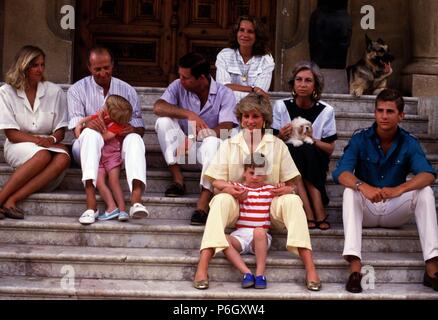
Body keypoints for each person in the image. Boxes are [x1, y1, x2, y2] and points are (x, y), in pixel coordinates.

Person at [193, 93, 321, 291]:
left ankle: (310, 265)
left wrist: (285, 189)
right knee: (220, 200)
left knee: (293, 201)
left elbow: (293, 183)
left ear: (264, 120)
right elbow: (216, 181)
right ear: (240, 119)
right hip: (239, 207)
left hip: (269, 208)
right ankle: (203, 264)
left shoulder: (277, 145)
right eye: (246, 116)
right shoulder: (229, 144)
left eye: (255, 116)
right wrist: (230, 188)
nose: (250, 121)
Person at [332, 88, 438, 293]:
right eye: (380, 110)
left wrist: (400, 189)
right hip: (367, 209)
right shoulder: (360, 139)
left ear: (401, 115)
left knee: (424, 192)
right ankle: (355, 267)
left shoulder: (409, 142)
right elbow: (341, 172)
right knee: (349, 191)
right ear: (374, 113)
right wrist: (363, 187)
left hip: (395, 210)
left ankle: (432, 267)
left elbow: (428, 174)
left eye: (390, 111)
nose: (384, 116)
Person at [153, 52, 238, 225]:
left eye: (186, 78)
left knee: (213, 141)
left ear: (201, 78)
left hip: (210, 153)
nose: (181, 80)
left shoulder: (225, 93)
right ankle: (178, 180)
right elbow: (158, 107)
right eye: (180, 76)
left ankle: (202, 204)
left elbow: (227, 127)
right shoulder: (178, 86)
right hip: (183, 150)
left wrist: (196, 137)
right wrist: (189, 114)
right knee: (162, 122)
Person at [67, 46, 148, 225]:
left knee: (134, 139)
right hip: (86, 148)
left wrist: (131, 129)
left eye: (106, 68)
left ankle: (136, 200)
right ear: (89, 67)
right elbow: (75, 124)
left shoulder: (127, 90)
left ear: (112, 65)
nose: (103, 73)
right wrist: (87, 124)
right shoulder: (76, 90)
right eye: (97, 69)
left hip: (115, 152)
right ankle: (91, 204)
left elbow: (140, 125)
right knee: (90, 134)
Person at [0, 45, 70, 220]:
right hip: (19, 143)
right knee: (43, 156)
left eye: (42, 65)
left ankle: (12, 200)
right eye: (35, 65)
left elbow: (61, 128)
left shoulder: (54, 92)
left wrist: (52, 138)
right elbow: (11, 134)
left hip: (47, 143)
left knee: (63, 157)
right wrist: (38, 141)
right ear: (23, 67)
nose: (40, 69)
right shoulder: (6, 92)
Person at [272, 61, 337, 230]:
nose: (302, 84)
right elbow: (272, 144)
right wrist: (280, 135)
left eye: (308, 80)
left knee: (306, 148)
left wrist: (312, 139)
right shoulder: (281, 106)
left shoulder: (326, 110)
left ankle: (309, 212)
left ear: (316, 85)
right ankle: (316, 210)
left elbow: (330, 149)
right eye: (298, 79)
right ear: (293, 83)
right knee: (296, 148)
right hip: (288, 159)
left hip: (316, 159)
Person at [211, 153, 277, 289]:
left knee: (259, 231)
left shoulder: (270, 189)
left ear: (265, 175)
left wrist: (284, 187)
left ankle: (260, 275)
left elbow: (292, 189)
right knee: (223, 238)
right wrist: (230, 190)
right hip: (240, 236)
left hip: (260, 238)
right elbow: (215, 184)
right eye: (251, 173)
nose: (255, 177)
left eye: (259, 174)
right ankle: (247, 273)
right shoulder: (239, 188)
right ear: (244, 173)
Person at [74, 95, 133, 223]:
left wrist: (98, 120)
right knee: (99, 181)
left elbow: (105, 137)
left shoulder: (117, 125)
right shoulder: (103, 117)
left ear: (109, 112)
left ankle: (122, 210)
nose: (102, 107)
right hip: (99, 157)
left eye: (105, 105)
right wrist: (80, 124)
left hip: (112, 157)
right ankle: (112, 207)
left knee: (113, 181)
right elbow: (86, 123)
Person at [215, 15, 275, 102]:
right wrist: (253, 89)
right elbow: (222, 88)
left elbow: (260, 95)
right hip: (227, 107)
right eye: (241, 30)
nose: (245, 35)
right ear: (236, 32)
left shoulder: (266, 60)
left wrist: (233, 90)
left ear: (257, 36)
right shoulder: (224, 55)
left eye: (250, 31)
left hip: (254, 109)